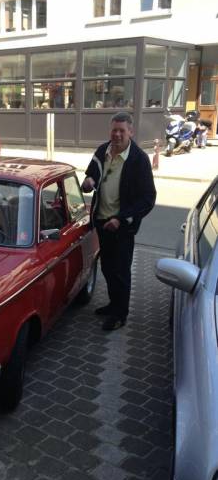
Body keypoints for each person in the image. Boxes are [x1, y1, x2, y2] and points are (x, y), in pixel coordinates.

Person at [81, 112, 156, 331]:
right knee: (107, 267)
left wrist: (121, 219)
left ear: (131, 132)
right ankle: (114, 304)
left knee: (120, 271)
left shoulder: (139, 160)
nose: (117, 134)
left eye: (122, 130)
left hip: (122, 228)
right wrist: (89, 181)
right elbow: (92, 175)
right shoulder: (102, 151)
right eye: (114, 129)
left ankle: (120, 314)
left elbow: (148, 199)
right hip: (102, 222)